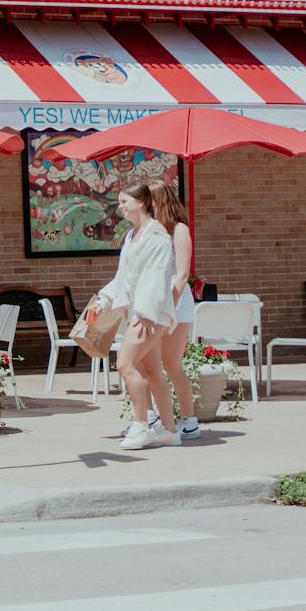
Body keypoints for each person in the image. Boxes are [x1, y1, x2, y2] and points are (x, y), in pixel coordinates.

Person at [87, 182, 180, 449]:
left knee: (125, 365)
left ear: (141, 202)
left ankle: (142, 425)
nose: (121, 207)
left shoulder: (158, 237)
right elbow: (124, 278)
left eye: (124, 202)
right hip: (138, 313)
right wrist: (103, 301)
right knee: (151, 370)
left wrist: (147, 313)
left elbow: (157, 276)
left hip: (149, 315)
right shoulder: (132, 236)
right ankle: (170, 431)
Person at [147, 180, 200, 442]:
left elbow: (182, 274)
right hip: (149, 301)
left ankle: (189, 420)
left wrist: (168, 305)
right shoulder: (146, 231)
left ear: (158, 200)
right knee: (144, 363)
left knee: (170, 363)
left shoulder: (178, 230)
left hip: (174, 303)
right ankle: (147, 419)